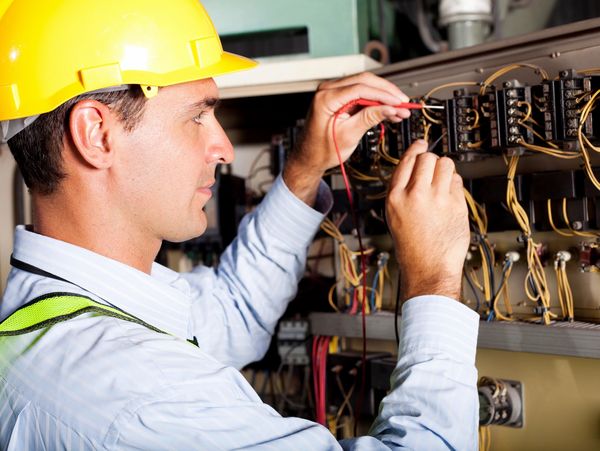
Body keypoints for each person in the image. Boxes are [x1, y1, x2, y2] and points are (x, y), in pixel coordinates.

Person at [0, 0, 479, 449]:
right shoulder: (146, 400)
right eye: (198, 117)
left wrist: (305, 170)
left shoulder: (48, 317)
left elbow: (234, 311)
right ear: (96, 135)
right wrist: (433, 281)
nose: (224, 148)